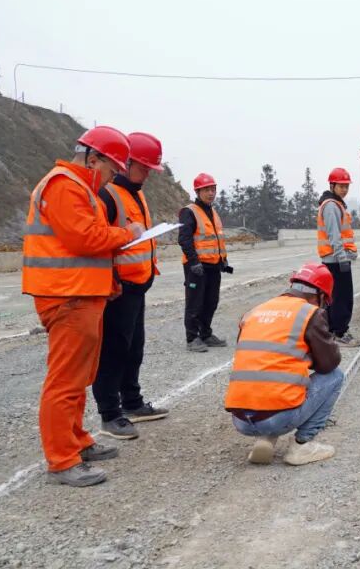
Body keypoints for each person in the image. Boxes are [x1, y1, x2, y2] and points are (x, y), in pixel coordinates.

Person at [22, 126, 145, 487]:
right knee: (65, 381)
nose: (111, 178)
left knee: (79, 378)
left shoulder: (78, 187)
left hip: (81, 294)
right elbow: (86, 239)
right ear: (93, 159)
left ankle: (76, 441)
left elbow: (83, 245)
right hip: (67, 296)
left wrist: (107, 283)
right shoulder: (64, 185)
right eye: (110, 170)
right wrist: (128, 233)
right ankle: (62, 460)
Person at [226, 263, 343, 466]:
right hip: (276, 418)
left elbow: (260, 358)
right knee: (335, 376)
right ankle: (301, 445)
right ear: (320, 295)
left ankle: (266, 438)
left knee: (274, 375)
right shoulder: (310, 313)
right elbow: (328, 364)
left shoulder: (255, 311)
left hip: (241, 420)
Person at [92, 132, 169, 440]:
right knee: (113, 351)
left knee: (133, 348)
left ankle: (132, 402)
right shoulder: (108, 195)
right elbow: (99, 241)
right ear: (125, 163)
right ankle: (110, 414)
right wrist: (111, 280)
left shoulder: (136, 194)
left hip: (137, 286)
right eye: (144, 167)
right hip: (117, 289)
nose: (148, 173)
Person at [178, 172, 233, 352]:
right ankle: (192, 338)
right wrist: (194, 262)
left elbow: (217, 239)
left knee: (211, 302)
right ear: (197, 191)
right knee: (195, 303)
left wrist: (223, 260)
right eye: (206, 190)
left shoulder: (213, 212)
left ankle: (206, 334)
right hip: (197, 267)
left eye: (213, 189)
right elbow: (184, 239)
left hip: (213, 266)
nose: (211, 193)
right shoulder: (189, 212)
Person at [317, 168, 360, 347]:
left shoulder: (335, 204)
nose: (344, 190)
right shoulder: (331, 206)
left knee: (334, 297)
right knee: (342, 298)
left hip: (335, 259)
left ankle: (332, 331)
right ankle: (340, 333)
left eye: (346, 186)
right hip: (336, 260)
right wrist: (342, 258)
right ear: (332, 185)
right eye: (341, 186)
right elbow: (334, 235)